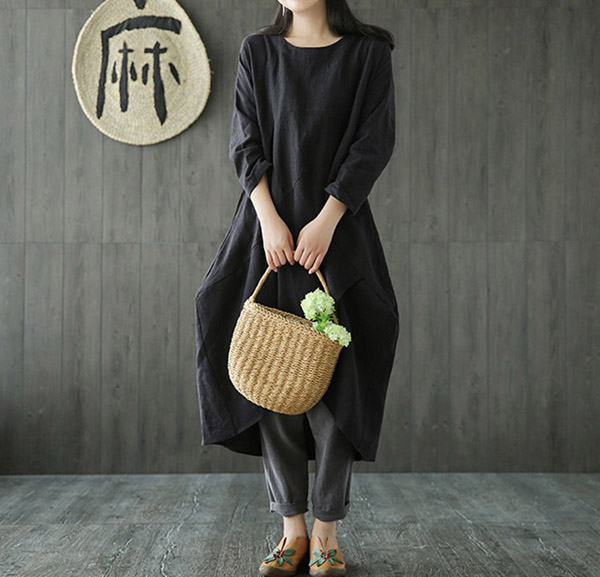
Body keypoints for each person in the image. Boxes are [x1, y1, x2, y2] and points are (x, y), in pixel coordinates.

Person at [194, 1, 398, 575]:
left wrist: (328, 219)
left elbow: (373, 144)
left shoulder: (369, 55)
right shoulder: (257, 52)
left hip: (340, 233)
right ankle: (292, 530)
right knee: (272, 378)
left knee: (339, 383)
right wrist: (269, 219)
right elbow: (245, 142)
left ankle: (327, 531)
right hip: (269, 233)